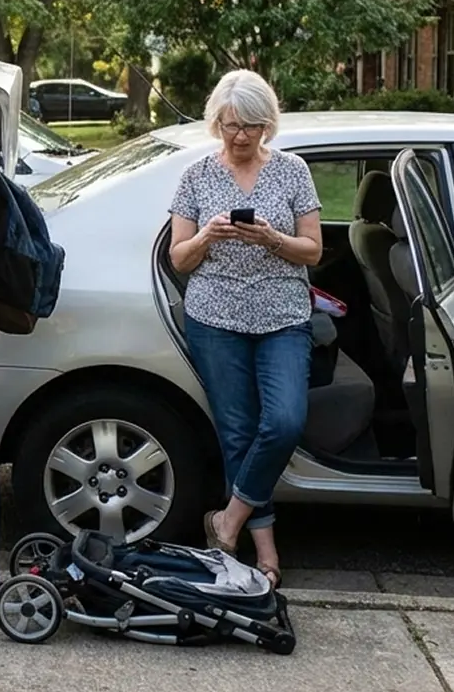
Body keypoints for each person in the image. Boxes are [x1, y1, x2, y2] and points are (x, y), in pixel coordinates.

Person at [167, 69, 322, 590]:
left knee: (282, 422)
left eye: (251, 126)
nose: (240, 136)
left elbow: (314, 250)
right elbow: (180, 259)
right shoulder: (196, 177)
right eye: (232, 125)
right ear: (217, 122)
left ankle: (226, 522)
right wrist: (209, 235)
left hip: (283, 317)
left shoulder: (293, 171)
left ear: (266, 125)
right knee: (237, 432)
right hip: (216, 320)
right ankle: (264, 550)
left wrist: (272, 238)